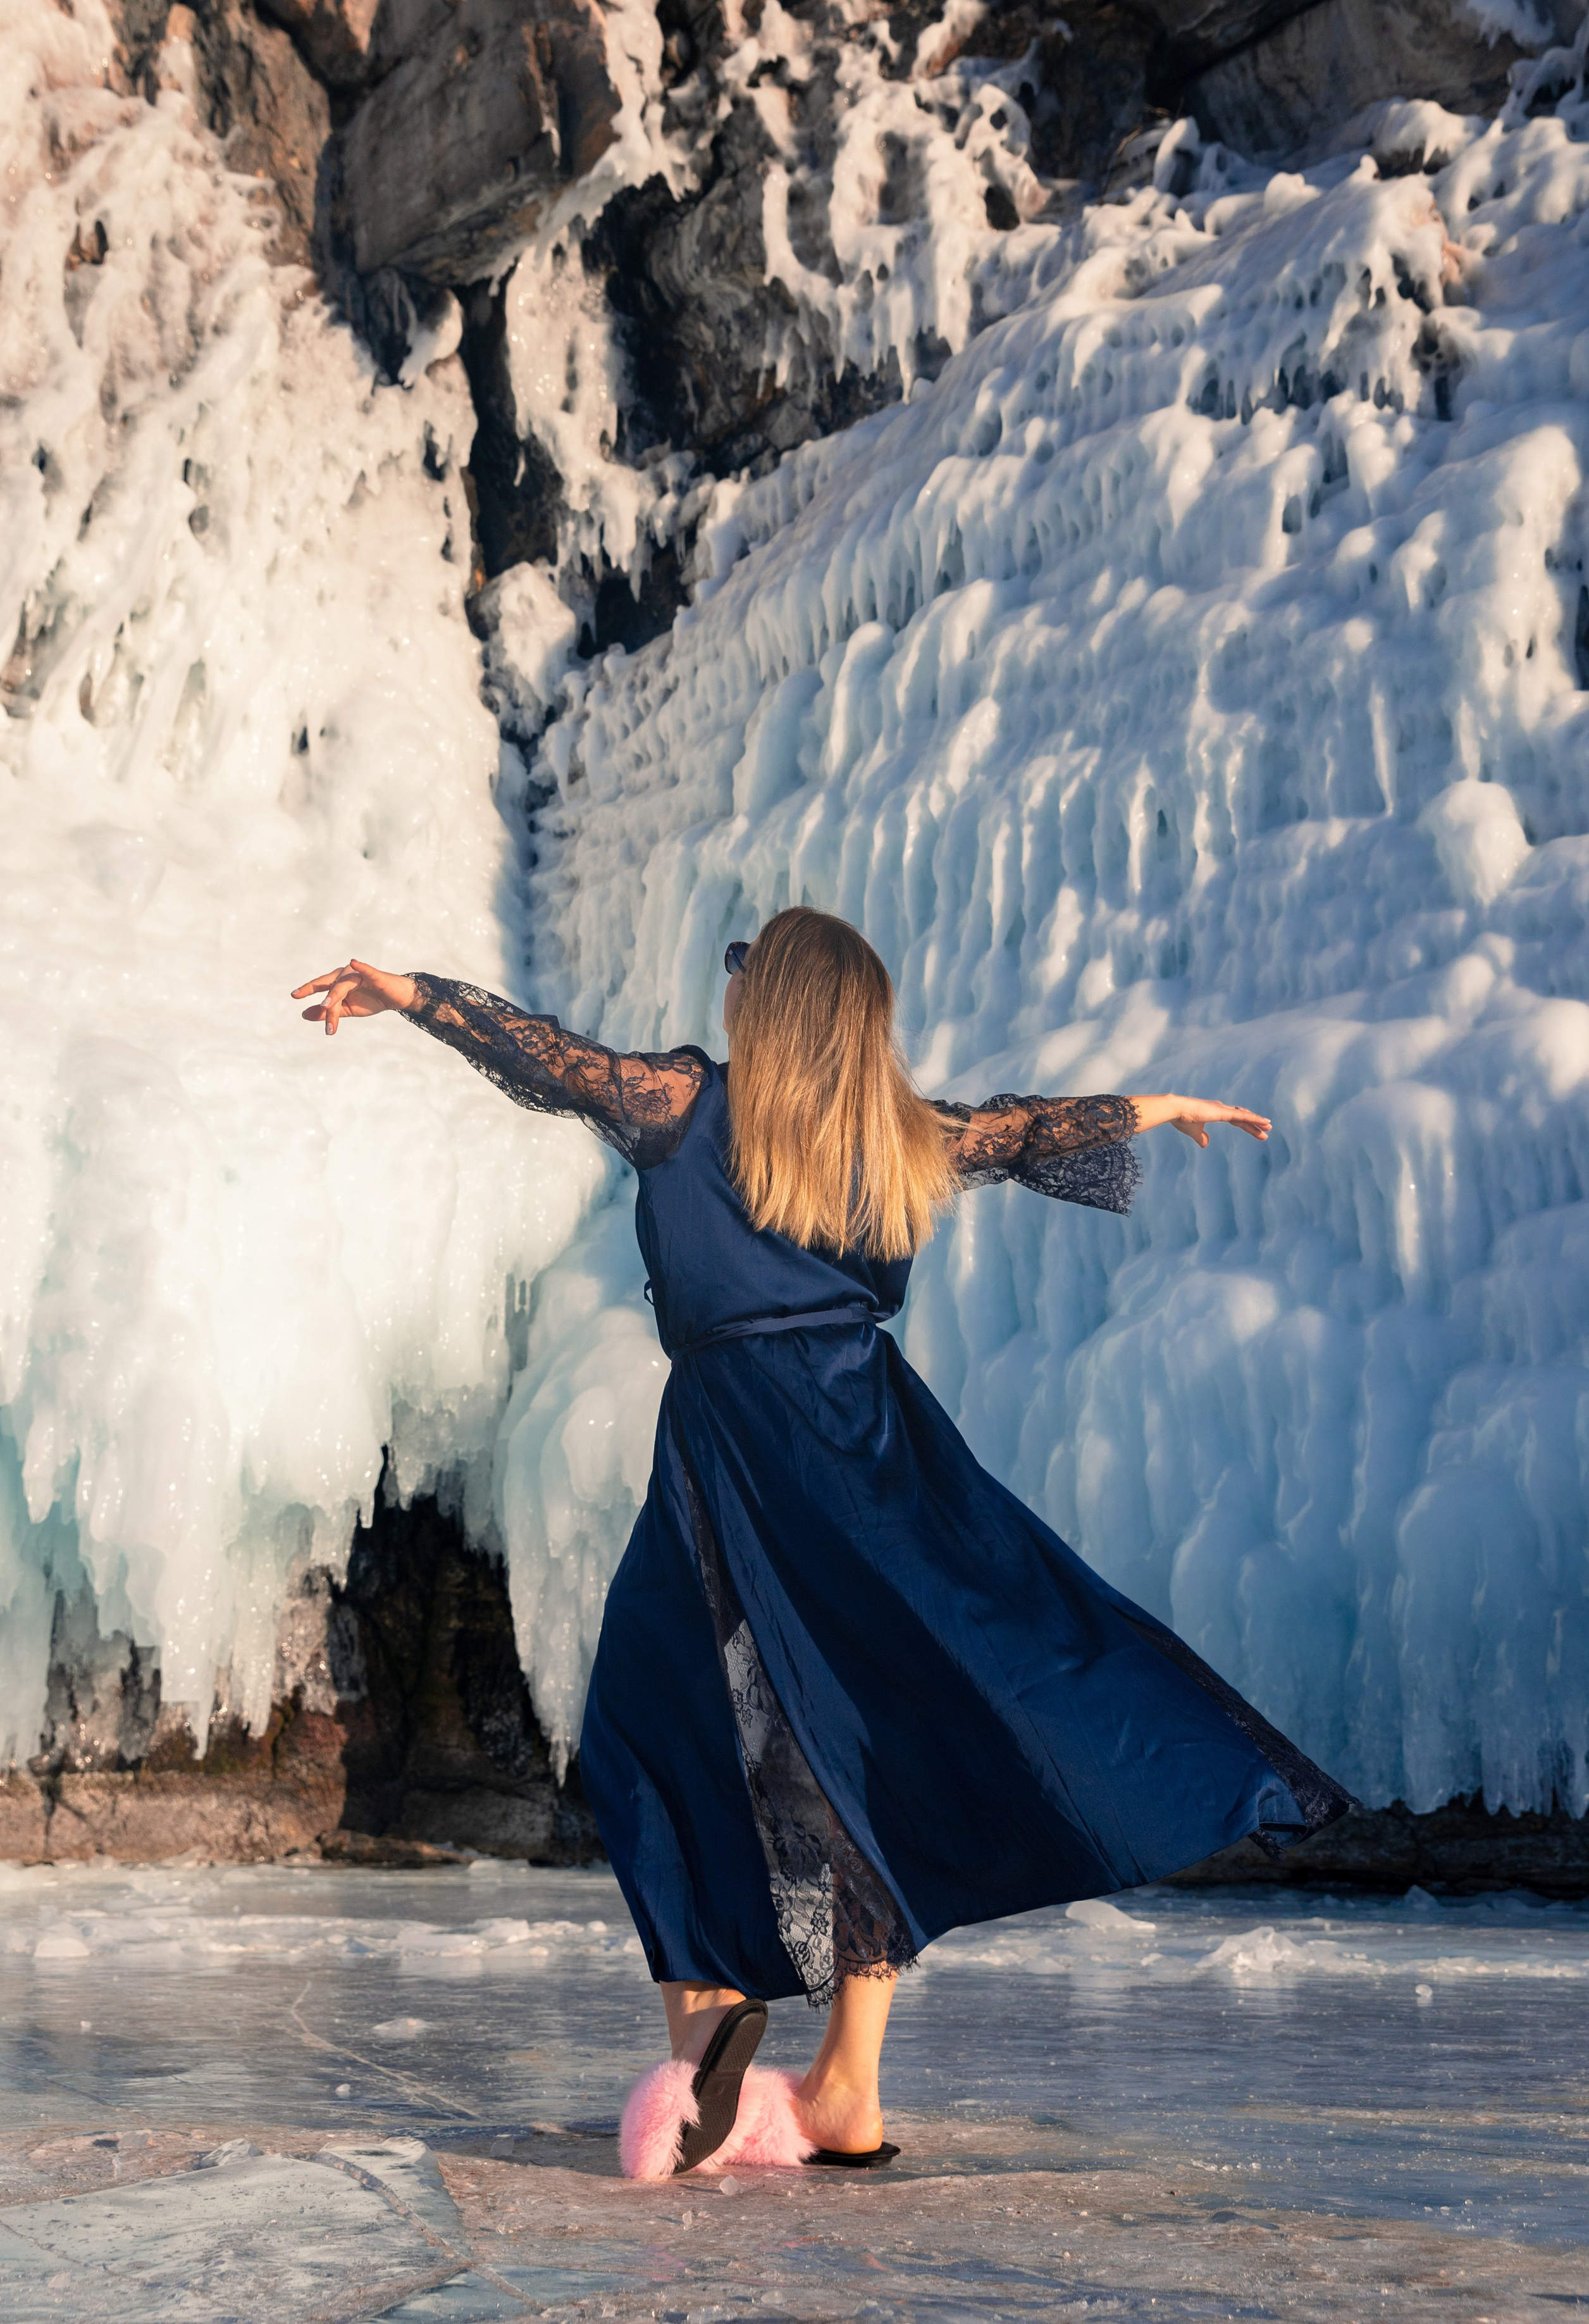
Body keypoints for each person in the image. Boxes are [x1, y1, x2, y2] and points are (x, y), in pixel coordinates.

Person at [294, 910, 1351, 2179]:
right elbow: (1020, 1133)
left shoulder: (685, 1104)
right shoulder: (898, 1139)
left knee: (644, 1727)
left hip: (734, 1452)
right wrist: (1152, 1102)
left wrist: (410, 994)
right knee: (871, 1733)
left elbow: (548, 1057)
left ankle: (707, 2040)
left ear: (773, 1006)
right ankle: (845, 2089)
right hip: (867, 1448)